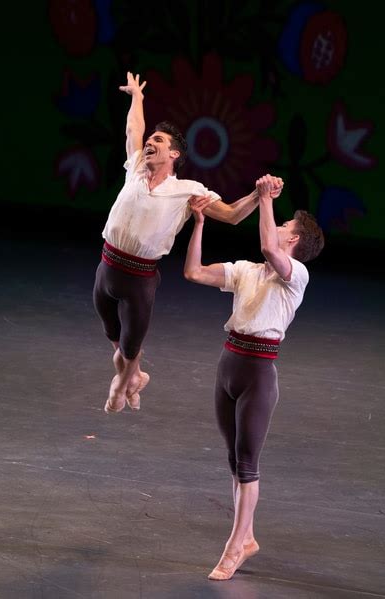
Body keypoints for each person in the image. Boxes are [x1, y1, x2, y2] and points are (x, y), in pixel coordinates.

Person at [93, 72, 282, 414]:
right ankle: (135, 377)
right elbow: (133, 128)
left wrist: (258, 194)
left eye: (160, 141)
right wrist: (137, 96)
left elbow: (232, 215)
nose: (150, 142)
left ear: (175, 154)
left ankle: (122, 385)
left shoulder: (189, 190)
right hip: (106, 269)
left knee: (131, 345)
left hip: (139, 278)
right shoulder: (135, 167)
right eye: (152, 138)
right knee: (116, 342)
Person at [184, 174, 325, 580]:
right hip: (228, 366)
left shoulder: (295, 275)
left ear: (294, 241)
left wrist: (265, 197)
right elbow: (193, 272)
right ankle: (246, 537)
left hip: (259, 375)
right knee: (233, 461)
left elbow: (268, 243)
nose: (279, 228)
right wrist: (199, 224)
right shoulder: (247, 270)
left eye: (286, 226)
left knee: (247, 464)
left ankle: (235, 546)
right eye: (279, 222)